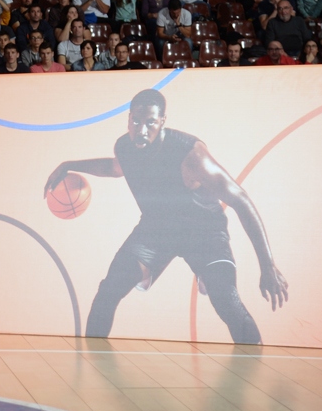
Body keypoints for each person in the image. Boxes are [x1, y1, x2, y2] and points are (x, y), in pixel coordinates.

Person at [45, 89, 288, 344]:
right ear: (128, 119)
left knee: (226, 300)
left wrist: (267, 265)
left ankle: (255, 363)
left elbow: (240, 199)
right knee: (108, 291)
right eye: (136, 121)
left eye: (150, 122)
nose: (141, 129)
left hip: (203, 232)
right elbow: (113, 167)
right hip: (156, 230)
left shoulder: (190, 155)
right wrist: (69, 164)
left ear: (162, 121)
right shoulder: (125, 147)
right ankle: (90, 365)